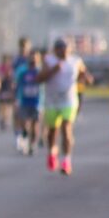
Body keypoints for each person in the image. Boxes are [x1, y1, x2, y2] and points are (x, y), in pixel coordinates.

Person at [36, 38, 91, 175]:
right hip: (52, 101)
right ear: (55, 50)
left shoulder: (76, 61)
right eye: (60, 48)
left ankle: (66, 160)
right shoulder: (49, 61)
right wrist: (52, 71)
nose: (63, 50)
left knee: (67, 128)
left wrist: (87, 78)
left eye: (66, 47)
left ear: (70, 49)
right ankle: (52, 153)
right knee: (52, 132)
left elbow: (86, 76)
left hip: (69, 101)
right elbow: (39, 79)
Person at [13, 49, 44, 156]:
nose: (33, 59)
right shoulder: (22, 70)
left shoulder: (41, 70)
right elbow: (16, 84)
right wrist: (16, 99)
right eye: (31, 57)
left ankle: (33, 144)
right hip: (23, 101)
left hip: (38, 102)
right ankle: (25, 135)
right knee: (24, 124)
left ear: (39, 58)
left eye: (35, 57)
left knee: (35, 124)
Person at [11, 37, 33, 152]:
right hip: (20, 91)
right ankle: (18, 136)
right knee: (17, 115)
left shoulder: (33, 58)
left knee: (29, 119)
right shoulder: (16, 60)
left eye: (26, 46)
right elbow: (13, 75)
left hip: (33, 93)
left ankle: (27, 137)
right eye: (22, 46)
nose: (24, 48)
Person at [0, 53, 16, 133]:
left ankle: (6, 119)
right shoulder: (0, 67)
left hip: (8, 87)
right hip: (2, 87)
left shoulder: (11, 68)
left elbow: (13, 78)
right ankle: (2, 118)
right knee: (2, 105)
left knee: (8, 105)